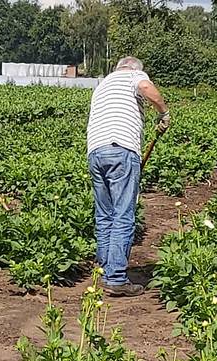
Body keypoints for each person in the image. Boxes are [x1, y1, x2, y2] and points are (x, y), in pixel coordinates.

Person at [86, 56, 170, 297]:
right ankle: (116, 278)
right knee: (123, 214)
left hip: (96, 152)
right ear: (134, 68)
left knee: (105, 214)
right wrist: (163, 112)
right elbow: (146, 88)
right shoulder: (134, 76)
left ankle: (104, 268)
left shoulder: (103, 85)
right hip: (121, 150)